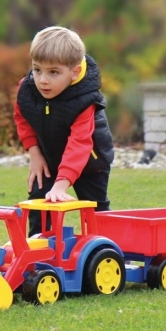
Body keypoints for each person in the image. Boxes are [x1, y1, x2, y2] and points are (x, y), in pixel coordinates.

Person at [14, 26, 114, 235]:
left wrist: (61, 185)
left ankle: (105, 252)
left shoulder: (85, 101)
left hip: (90, 163)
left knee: (95, 210)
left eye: (53, 72)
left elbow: (80, 143)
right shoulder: (28, 89)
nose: (42, 79)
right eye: (37, 69)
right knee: (39, 201)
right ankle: (38, 250)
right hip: (49, 159)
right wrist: (34, 153)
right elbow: (22, 116)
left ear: (74, 72)